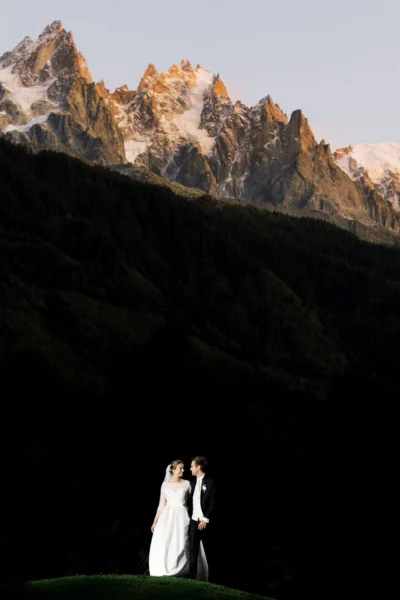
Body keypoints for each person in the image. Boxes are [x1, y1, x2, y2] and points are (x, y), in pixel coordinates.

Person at [148, 459, 208, 579]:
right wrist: (155, 522)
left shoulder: (187, 483)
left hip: (182, 516)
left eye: (183, 468)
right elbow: (161, 505)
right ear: (172, 470)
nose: (183, 470)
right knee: (166, 542)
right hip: (167, 516)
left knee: (182, 541)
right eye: (180, 468)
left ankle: (185, 570)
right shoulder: (165, 485)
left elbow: (194, 501)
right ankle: (165, 568)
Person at [188, 456, 216, 580]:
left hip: (206, 520)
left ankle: (211, 576)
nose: (190, 469)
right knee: (193, 546)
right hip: (194, 519)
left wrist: (205, 519)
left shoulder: (211, 482)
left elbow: (214, 503)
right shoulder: (192, 482)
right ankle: (192, 575)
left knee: (208, 548)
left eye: (192, 466)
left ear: (198, 467)